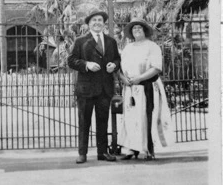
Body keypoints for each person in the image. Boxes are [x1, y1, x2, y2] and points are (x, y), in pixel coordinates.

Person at [68, 9, 121, 164]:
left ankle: (102, 152)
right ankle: (82, 153)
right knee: (84, 122)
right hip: (86, 89)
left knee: (102, 121)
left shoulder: (111, 41)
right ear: (89, 24)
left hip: (105, 89)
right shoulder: (80, 41)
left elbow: (117, 59)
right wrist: (86, 64)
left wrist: (114, 65)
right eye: (94, 20)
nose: (97, 23)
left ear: (103, 23)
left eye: (100, 20)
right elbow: (71, 60)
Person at [118, 18, 173, 160]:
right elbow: (120, 68)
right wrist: (125, 79)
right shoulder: (127, 48)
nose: (136, 30)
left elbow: (156, 68)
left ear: (145, 31)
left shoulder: (152, 46)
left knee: (146, 117)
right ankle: (131, 149)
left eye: (139, 28)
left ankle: (147, 149)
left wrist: (140, 78)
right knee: (131, 118)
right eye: (134, 28)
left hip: (147, 86)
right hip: (131, 88)